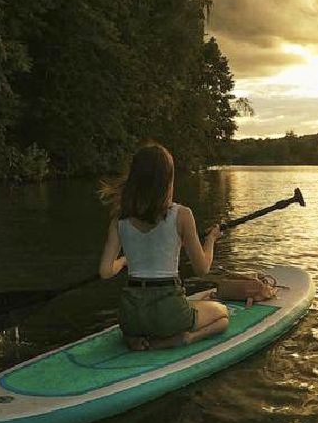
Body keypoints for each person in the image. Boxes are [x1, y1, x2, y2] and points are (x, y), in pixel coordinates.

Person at [98, 143, 229, 351]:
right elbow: (203, 269)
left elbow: (105, 272)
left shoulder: (119, 220)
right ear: (168, 180)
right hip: (168, 314)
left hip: (130, 317)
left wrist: (122, 261)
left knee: (145, 320)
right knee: (222, 314)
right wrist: (211, 239)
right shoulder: (182, 215)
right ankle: (185, 338)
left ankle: (134, 339)